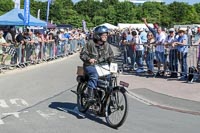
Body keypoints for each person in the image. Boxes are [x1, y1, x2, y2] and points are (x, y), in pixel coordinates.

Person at [80, 26, 114, 102]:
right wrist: (89, 59)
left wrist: (113, 65)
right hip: (90, 65)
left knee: (110, 77)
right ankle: (90, 97)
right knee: (94, 75)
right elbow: (82, 54)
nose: (106, 37)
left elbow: (111, 56)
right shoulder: (90, 43)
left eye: (106, 35)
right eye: (103, 35)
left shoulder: (107, 45)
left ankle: (110, 96)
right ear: (98, 36)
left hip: (102, 66)